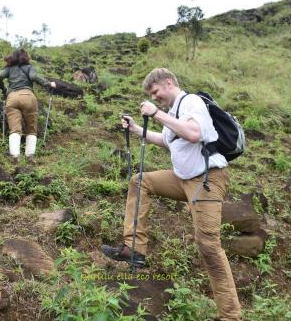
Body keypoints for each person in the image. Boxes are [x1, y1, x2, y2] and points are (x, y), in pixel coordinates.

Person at [101, 68, 242, 321]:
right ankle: (134, 247)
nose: (155, 98)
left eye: (155, 92)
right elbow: (168, 140)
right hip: (183, 178)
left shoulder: (191, 102)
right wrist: (135, 129)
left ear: (168, 83)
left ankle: (231, 316)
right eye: (151, 96)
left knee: (208, 246)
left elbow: (194, 133)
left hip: (207, 179)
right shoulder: (174, 112)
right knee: (140, 181)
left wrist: (156, 114)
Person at [0, 48, 56, 163]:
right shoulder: (29, 67)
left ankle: (14, 156)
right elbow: (33, 77)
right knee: (31, 128)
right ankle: (30, 157)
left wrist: (4, 89)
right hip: (28, 97)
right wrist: (48, 83)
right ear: (25, 57)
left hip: (12, 98)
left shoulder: (9, 69)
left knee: (14, 129)